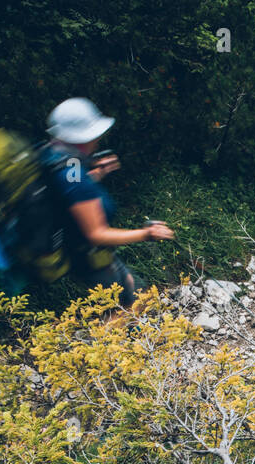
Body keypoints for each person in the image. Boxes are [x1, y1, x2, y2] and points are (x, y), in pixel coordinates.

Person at [42, 98, 175, 308]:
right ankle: (107, 340)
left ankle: (134, 335)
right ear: (82, 136)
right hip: (89, 258)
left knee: (137, 291)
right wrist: (146, 234)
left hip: (86, 253)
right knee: (119, 313)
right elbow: (96, 233)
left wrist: (97, 173)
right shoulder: (71, 169)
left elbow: (68, 192)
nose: (99, 138)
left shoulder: (61, 157)